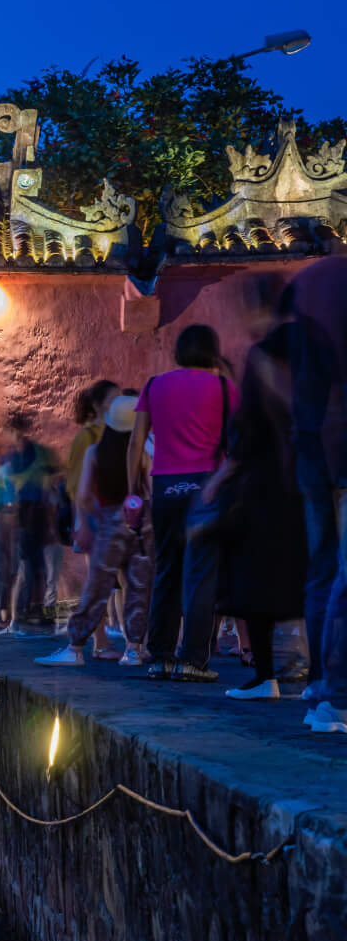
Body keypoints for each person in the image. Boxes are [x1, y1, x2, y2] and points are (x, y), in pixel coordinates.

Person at [200, 275, 304, 698]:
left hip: (267, 483)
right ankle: (317, 676)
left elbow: (249, 429)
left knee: (254, 579)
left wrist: (220, 478)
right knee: (311, 574)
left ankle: (265, 677)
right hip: (308, 476)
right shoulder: (313, 347)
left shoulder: (262, 356)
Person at [130, 324, 236, 681]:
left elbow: (136, 442)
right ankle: (192, 661)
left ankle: (160, 657)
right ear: (212, 350)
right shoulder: (225, 388)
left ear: (178, 351)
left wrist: (134, 487)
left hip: (165, 487)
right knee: (201, 575)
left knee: (166, 571)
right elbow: (241, 440)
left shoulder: (154, 386)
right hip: (207, 487)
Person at [38, 392, 151, 666]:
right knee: (138, 587)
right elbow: (151, 490)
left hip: (108, 524)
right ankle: (134, 649)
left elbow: (84, 496)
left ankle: (75, 647)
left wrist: (90, 523)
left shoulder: (95, 453)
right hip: (140, 524)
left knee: (98, 588)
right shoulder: (143, 454)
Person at [289, 255, 347, 731]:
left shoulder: (312, 283)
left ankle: (320, 681)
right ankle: (335, 694)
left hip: (312, 452)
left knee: (324, 569)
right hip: (336, 456)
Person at [0, 411, 61, 635]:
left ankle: (14, 617)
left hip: (29, 517)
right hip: (14, 520)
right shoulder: (10, 462)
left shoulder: (28, 457)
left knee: (27, 569)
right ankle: (7, 618)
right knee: (17, 570)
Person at [60, 379, 121, 633]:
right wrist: (82, 522)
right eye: (113, 400)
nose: (119, 404)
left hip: (113, 511)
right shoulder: (86, 437)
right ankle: (98, 640)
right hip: (93, 513)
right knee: (99, 581)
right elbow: (75, 485)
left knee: (118, 578)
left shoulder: (116, 432)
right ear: (97, 406)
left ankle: (123, 635)